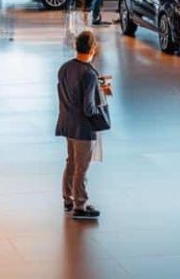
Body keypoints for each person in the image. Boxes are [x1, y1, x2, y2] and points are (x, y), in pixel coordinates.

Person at [56, 30, 105, 220]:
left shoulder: (65, 68)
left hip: (67, 123)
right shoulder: (89, 74)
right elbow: (89, 108)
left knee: (71, 161)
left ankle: (67, 198)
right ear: (93, 48)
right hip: (83, 128)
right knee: (81, 168)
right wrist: (99, 113)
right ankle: (80, 205)